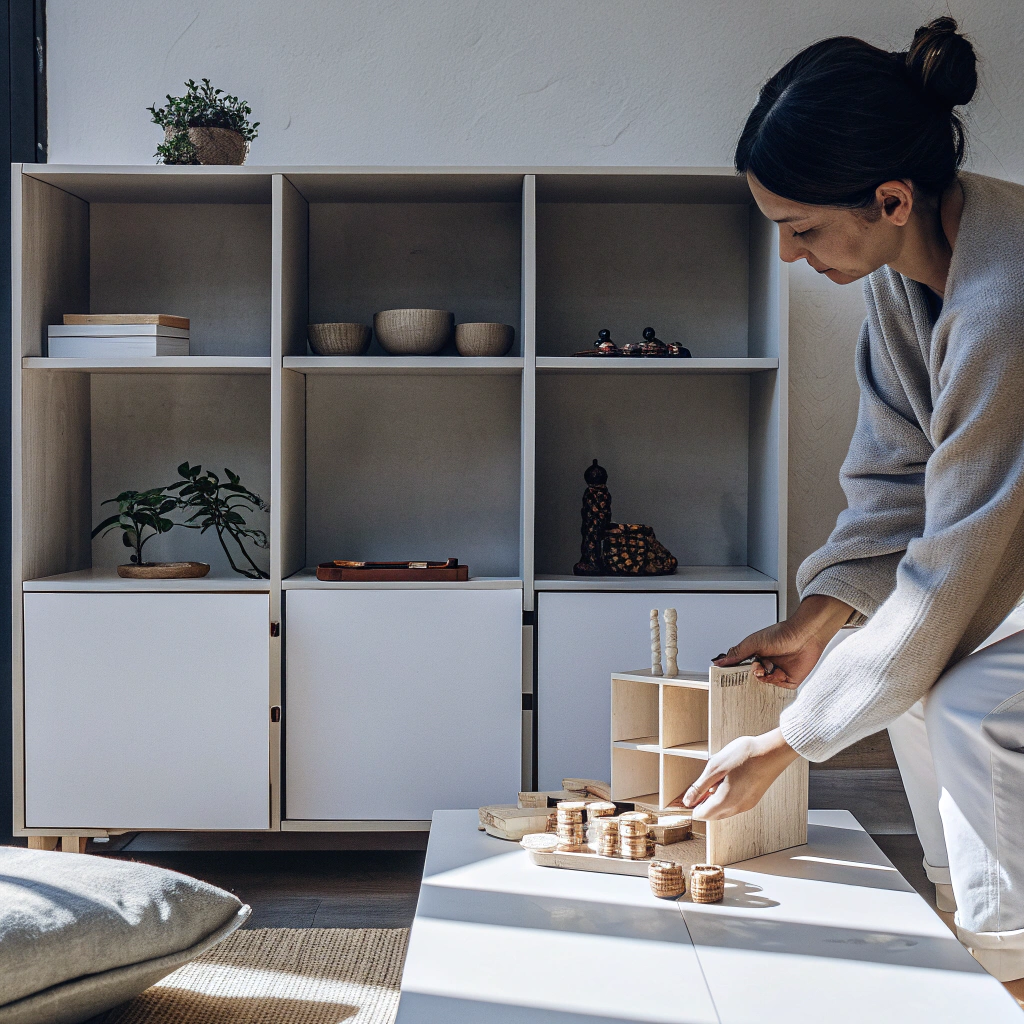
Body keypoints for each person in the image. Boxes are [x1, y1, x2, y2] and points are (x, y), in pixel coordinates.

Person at [675, 17, 1024, 988]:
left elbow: (953, 566)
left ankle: (1009, 964)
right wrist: (819, 615)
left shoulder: (1002, 303)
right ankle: (980, 931)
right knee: (913, 689)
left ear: (890, 198)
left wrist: (786, 741)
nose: (790, 258)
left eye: (801, 230)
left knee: (962, 699)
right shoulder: (900, 271)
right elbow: (893, 474)